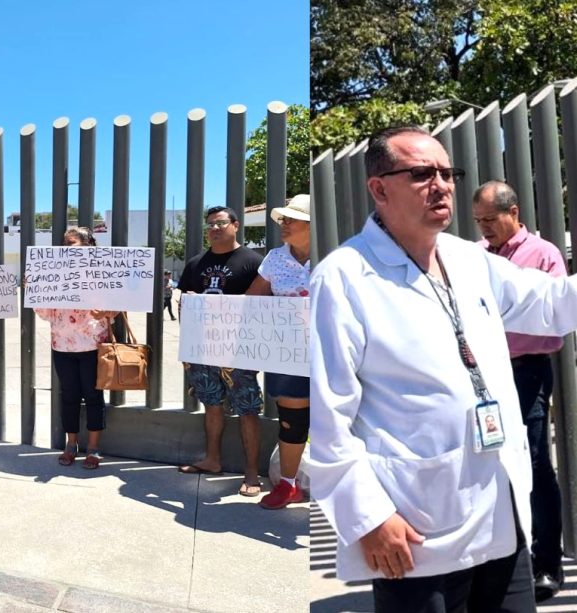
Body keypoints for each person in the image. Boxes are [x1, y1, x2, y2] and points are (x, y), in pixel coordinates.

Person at [307, 124, 577, 612]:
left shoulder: (469, 259)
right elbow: (329, 419)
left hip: (501, 518)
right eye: (421, 173)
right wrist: (368, 517)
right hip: (415, 528)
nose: (442, 184)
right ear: (378, 187)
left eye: (447, 172)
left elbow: (551, 304)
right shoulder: (344, 278)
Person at [473, 180, 566, 601]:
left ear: (514, 213)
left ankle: (546, 564)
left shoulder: (542, 254)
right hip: (483, 375)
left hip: (526, 370)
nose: (485, 228)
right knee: (492, 464)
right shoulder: (475, 257)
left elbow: (553, 314)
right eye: (478, 221)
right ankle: (507, 562)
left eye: (490, 219)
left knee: (531, 463)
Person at [177, 206, 265, 496]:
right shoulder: (195, 264)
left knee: (248, 409)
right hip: (203, 349)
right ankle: (212, 460)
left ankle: (251, 473)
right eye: (210, 224)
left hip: (240, 350)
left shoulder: (254, 262)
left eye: (221, 223)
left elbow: (265, 307)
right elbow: (185, 308)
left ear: (235, 225)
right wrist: (188, 352)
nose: (215, 228)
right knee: (211, 405)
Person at [247, 194, 310, 510]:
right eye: (283, 218)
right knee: (292, 421)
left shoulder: (337, 256)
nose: (283, 224)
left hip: (335, 355)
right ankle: (288, 485)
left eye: (291, 219)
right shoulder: (274, 258)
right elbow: (251, 301)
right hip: (289, 354)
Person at [35, 227, 118, 469]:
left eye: (70, 243)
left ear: (87, 246)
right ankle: (71, 444)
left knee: (93, 396)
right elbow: (46, 314)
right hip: (62, 344)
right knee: (68, 396)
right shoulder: (54, 273)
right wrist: (35, 291)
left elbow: (115, 307)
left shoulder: (101, 273)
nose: (65, 247)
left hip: (93, 344)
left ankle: (94, 447)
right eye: (64, 243)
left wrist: (106, 311)